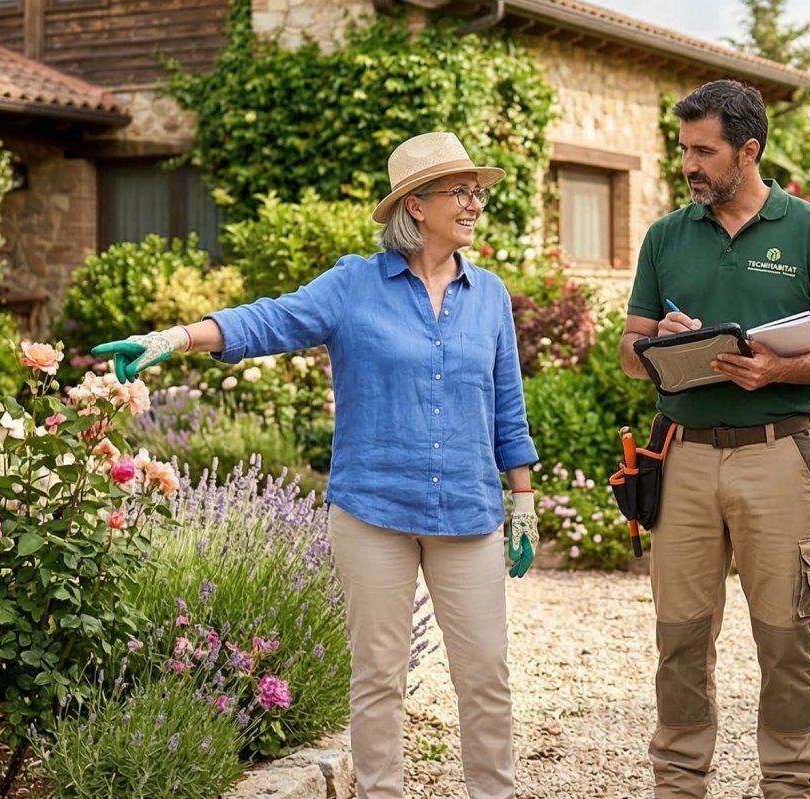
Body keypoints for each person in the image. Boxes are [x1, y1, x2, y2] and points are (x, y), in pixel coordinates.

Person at [93, 132, 540, 799]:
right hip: (373, 512)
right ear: (416, 206)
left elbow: (508, 404)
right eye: (461, 191)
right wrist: (176, 337)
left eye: (477, 192)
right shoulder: (354, 284)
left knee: (485, 675)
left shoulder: (490, 295)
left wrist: (522, 500)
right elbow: (269, 320)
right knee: (379, 676)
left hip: (468, 511)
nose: (475, 204)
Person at [618, 79, 810, 799]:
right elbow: (628, 351)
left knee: (787, 638)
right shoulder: (665, 236)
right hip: (683, 457)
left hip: (776, 452)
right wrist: (657, 345)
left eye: (704, 151)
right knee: (679, 639)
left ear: (749, 150)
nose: (688, 165)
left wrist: (781, 368)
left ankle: (790, 783)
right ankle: (678, 784)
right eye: (684, 149)